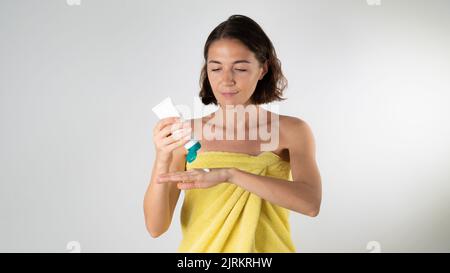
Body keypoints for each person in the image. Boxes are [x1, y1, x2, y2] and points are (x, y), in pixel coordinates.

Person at [143, 14, 322, 252]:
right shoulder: (187, 135)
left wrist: (230, 175)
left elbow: (310, 204)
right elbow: (156, 227)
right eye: (215, 68)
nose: (226, 80)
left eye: (239, 68)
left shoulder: (292, 131)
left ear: (263, 69)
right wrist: (162, 157)